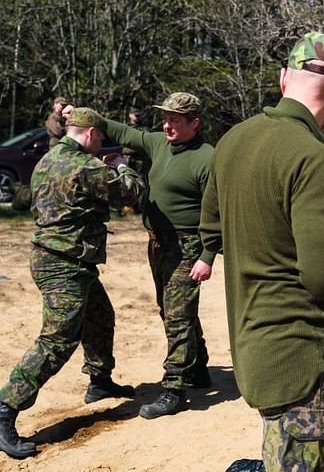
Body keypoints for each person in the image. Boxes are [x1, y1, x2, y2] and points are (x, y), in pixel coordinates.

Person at [199, 32, 324, 471]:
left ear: (282, 80)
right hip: (301, 357)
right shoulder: (313, 154)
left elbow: (211, 232)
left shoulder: (233, 140)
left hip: (252, 344)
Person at [0, 108, 143, 459]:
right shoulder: (85, 165)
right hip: (64, 265)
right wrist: (121, 164)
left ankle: (99, 381)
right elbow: (130, 193)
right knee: (56, 342)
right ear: (91, 133)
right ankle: (6, 408)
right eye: (100, 138)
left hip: (59, 258)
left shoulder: (48, 160)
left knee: (99, 317)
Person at [102, 92, 216, 419]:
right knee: (170, 309)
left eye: (176, 120)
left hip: (187, 245)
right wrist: (91, 119)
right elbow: (125, 133)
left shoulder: (207, 158)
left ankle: (175, 388)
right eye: (165, 118)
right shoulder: (158, 143)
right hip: (157, 244)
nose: (167, 125)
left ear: (195, 123)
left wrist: (207, 255)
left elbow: (217, 212)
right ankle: (198, 367)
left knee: (178, 315)